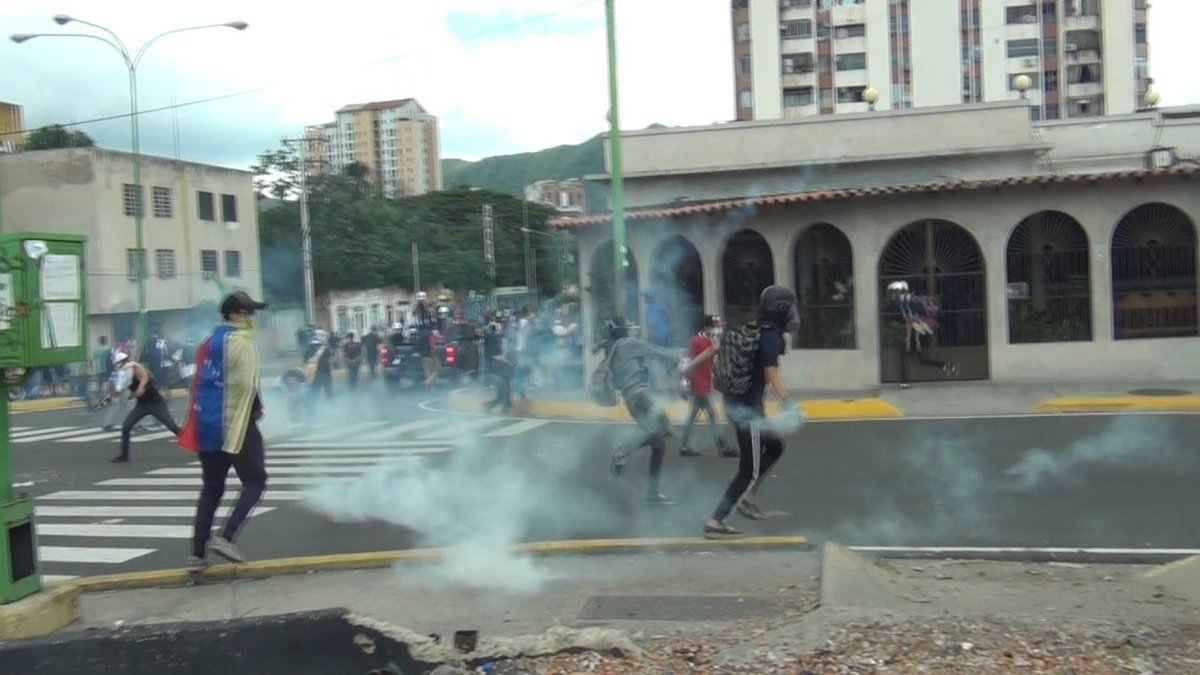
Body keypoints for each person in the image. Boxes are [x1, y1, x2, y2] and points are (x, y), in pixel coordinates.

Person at [179, 291, 269, 569]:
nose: (251, 318)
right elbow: (246, 385)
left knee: (212, 489)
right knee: (255, 481)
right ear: (234, 314)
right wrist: (256, 408)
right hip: (237, 424)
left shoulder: (207, 343)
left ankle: (197, 554)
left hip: (206, 424)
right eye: (247, 313)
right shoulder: (242, 344)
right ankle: (226, 537)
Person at [704, 286, 802, 539]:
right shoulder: (771, 337)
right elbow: (771, 373)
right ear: (782, 310)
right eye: (791, 307)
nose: (794, 313)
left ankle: (747, 499)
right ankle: (716, 520)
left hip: (738, 404)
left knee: (775, 447)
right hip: (748, 412)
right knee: (750, 469)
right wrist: (788, 403)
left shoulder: (757, 331)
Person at [601, 316, 685, 505]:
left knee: (659, 443)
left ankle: (652, 494)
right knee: (662, 430)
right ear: (622, 330)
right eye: (627, 327)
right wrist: (686, 356)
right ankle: (623, 451)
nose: (630, 330)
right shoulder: (628, 344)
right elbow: (659, 352)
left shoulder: (612, 348)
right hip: (640, 397)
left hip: (632, 401)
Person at [679, 315, 736, 458]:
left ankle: (684, 446)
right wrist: (684, 382)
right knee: (711, 414)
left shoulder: (710, 340)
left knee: (693, 416)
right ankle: (723, 447)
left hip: (704, 381)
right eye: (714, 326)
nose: (717, 328)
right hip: (698, 382)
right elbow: (688, 361)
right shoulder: (696, 341)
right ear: (705, 327)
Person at [110, 353, 182, 463]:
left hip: (156, 404)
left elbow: (144, 377)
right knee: (126, 427)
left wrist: (140, 387)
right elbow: (120, 388)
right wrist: (116, 394)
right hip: (142, 405)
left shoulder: (136, 368)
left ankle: (198, 446)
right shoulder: (123, 374)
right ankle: (124, 455)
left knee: (173, 427)